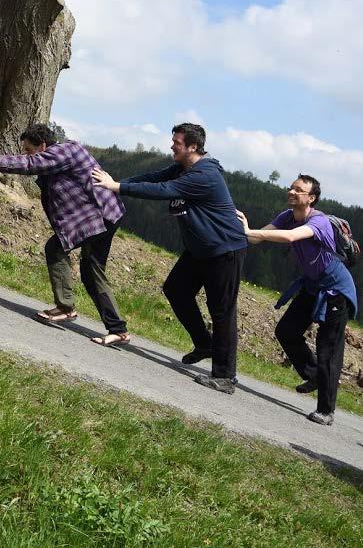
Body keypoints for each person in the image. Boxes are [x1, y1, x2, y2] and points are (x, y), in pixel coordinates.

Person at [92, 123, 247, 394]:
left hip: (224, 250)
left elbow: (164, 191)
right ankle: (204, 343)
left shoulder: (205, 175)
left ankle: (225, 377)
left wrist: (116, 187)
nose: (172, 145)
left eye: (176, 141)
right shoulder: (182, 167)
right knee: (176, 289)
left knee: (222, 311)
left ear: (193, 147)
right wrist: (117, 182)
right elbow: (154, 178)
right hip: (200, 249)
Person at [0, 123, 130, 346]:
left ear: (43, 145)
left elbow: (31, 164)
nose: (25, 153)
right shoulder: (60, 155)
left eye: (28, 149)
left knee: (56, 249)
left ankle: (65, 308)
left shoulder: (63, 151)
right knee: (92, 271)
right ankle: (118, 330)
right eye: (24, 150)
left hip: (99, 217)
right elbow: (35, 167)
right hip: (105, 215)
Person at [236, 175, 357, 426]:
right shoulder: (287, 216)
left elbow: (291, 237)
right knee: (287, 331)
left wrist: (250, 231)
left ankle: (326, 411)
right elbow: (257, 238)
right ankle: (313, 375)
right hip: (312, 286)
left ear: (310, 198)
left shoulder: (319, 221)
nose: (291, 191)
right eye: (291, 187)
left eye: (298, 190)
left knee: (328, 351)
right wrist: (240, 228)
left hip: (336, 291)